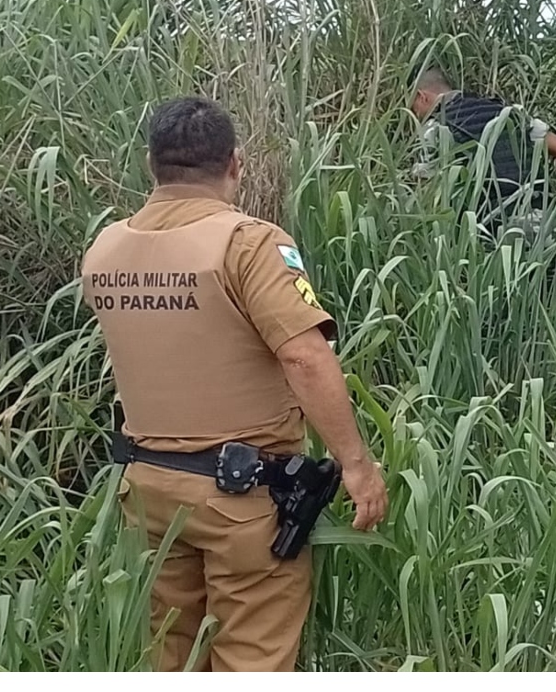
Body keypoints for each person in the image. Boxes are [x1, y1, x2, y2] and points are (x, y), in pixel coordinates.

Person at [79, 96, 388, 671]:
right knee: (252, 662)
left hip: (146, 492)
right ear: (235, 165)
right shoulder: (249, 242)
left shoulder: (105, 249)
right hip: (240, 500)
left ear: (152, 164)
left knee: (170, 657)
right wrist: (356, 462)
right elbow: (305, 357)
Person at [407, 66, 556, 245]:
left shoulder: (435, 129)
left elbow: (427, 198)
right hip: (550, 228)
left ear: (423, 96)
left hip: (496, 240)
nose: (417, 115)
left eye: (414, 109)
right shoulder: (508, 111)